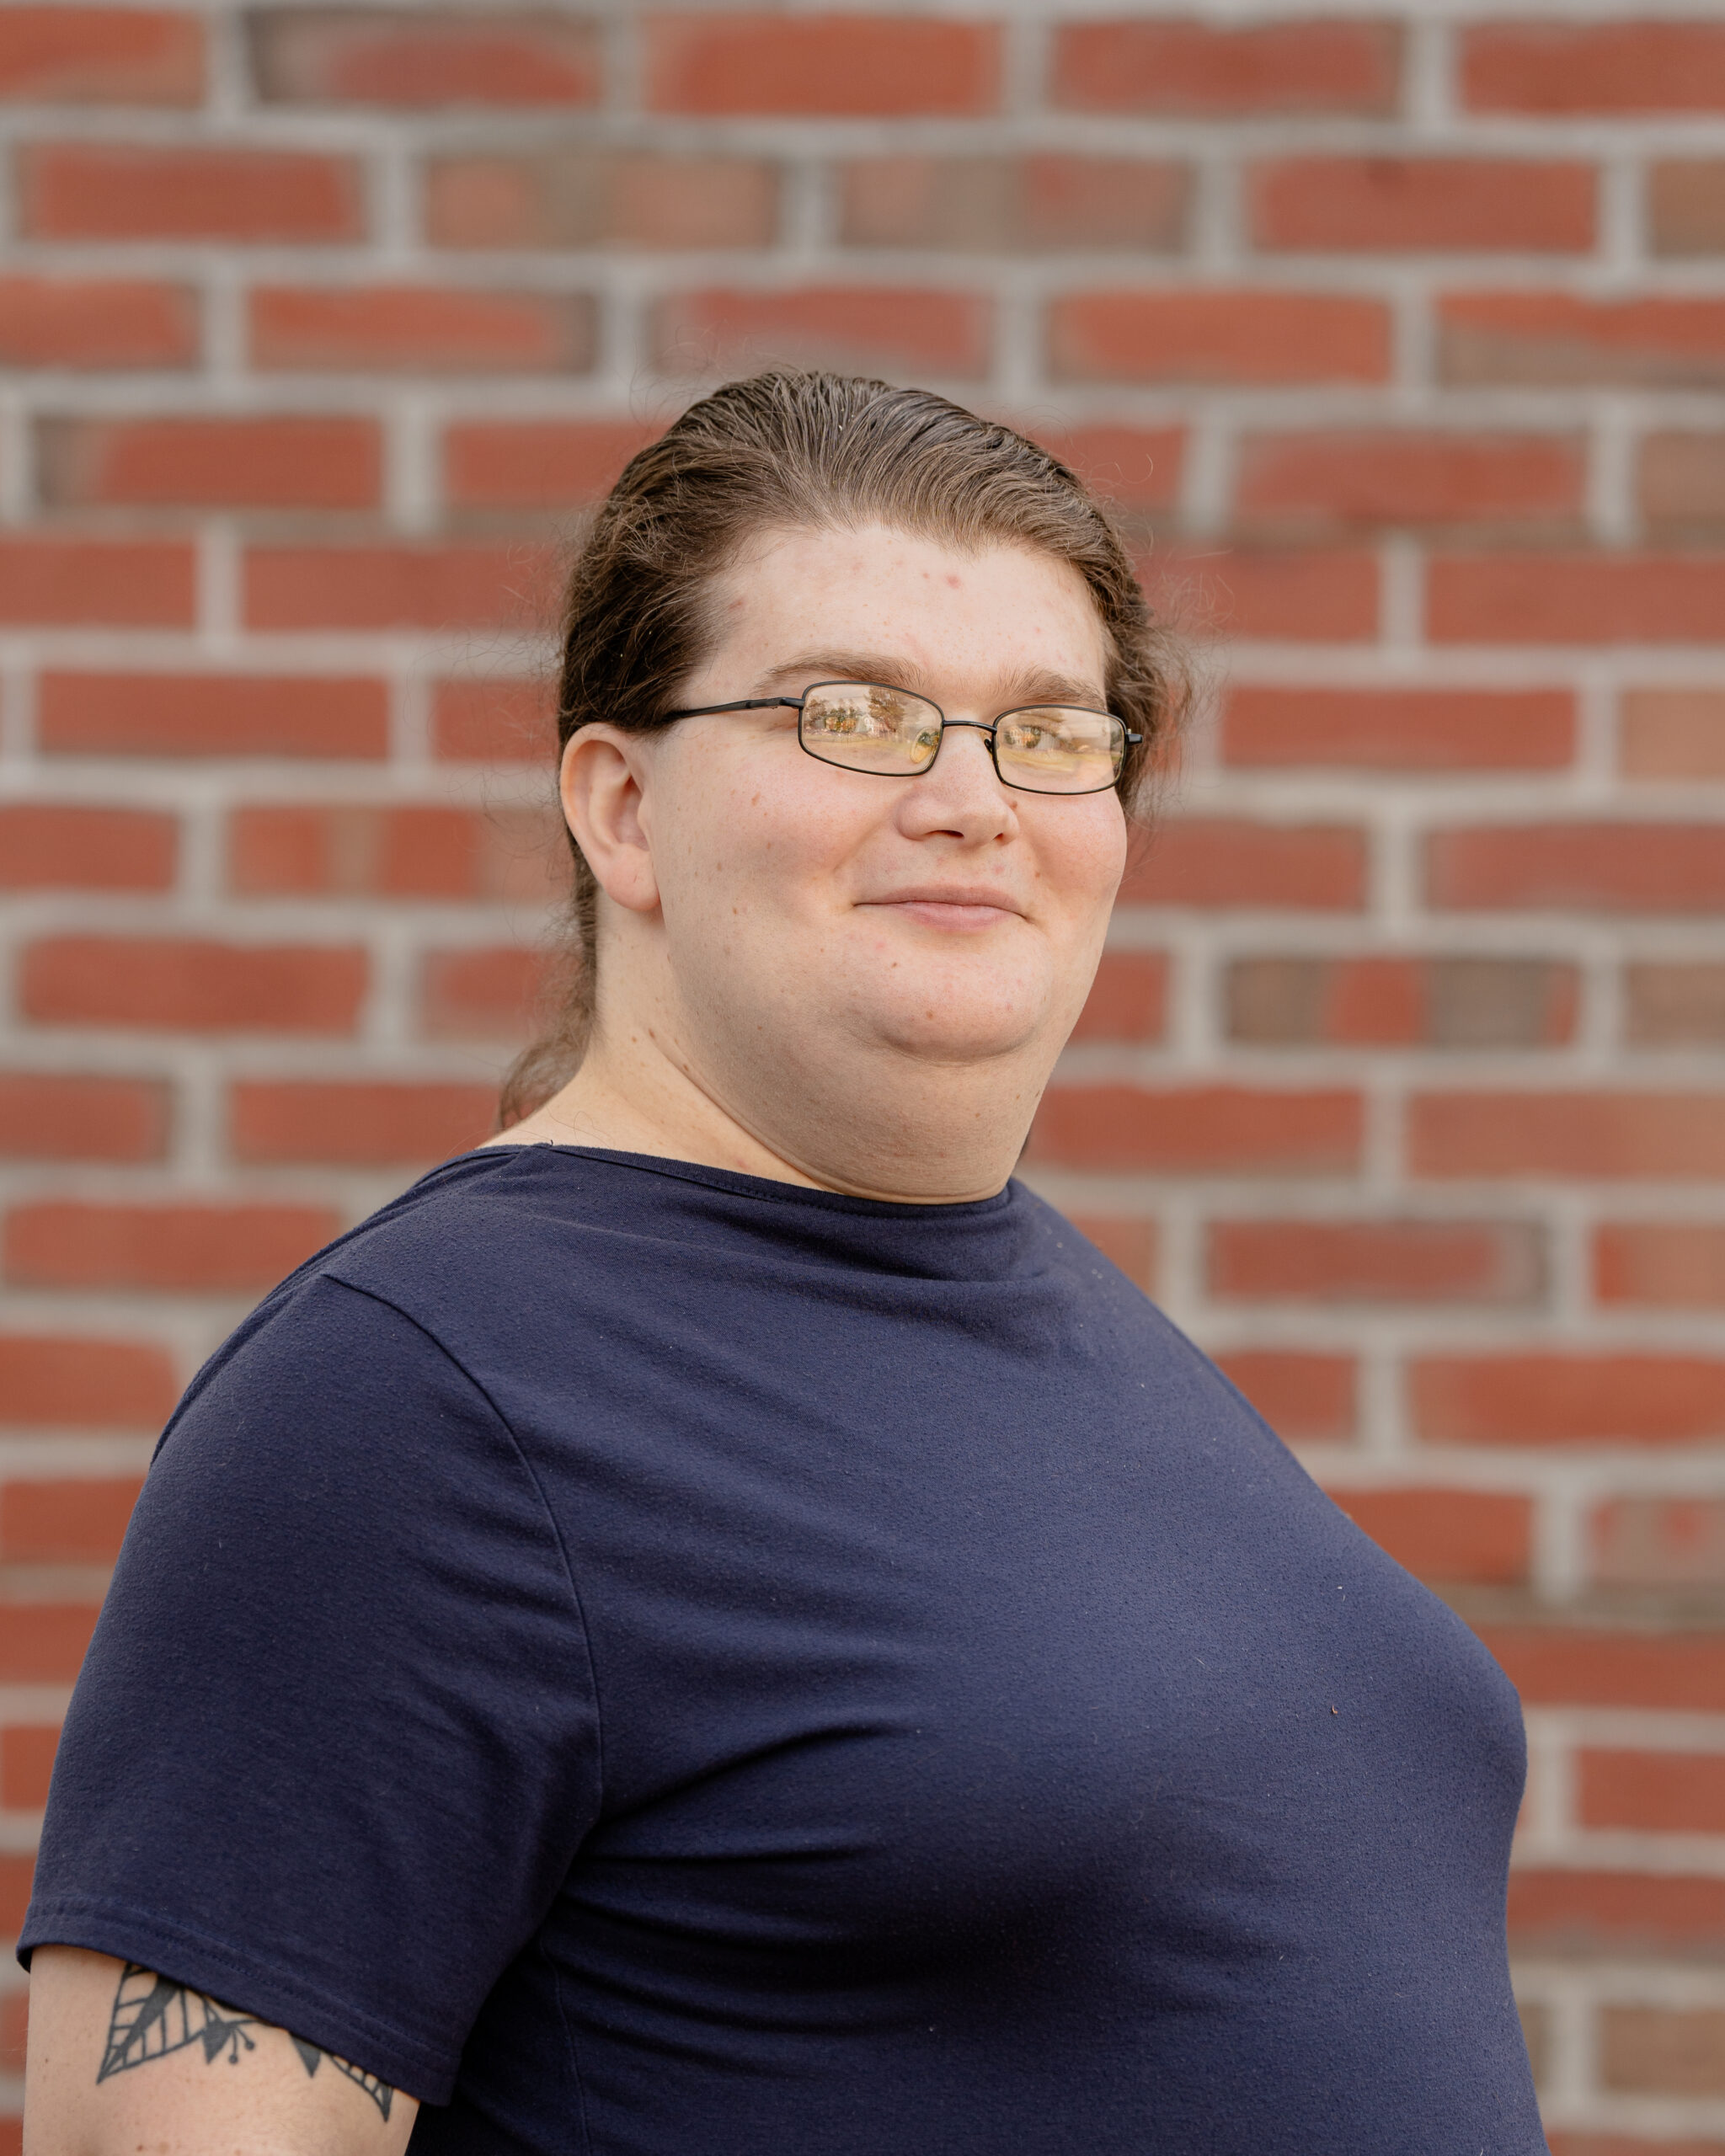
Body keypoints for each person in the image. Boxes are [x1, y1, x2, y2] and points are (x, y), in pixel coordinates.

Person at [21, 371, 1545, 2156]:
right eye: (858, 715)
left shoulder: (1072, 1329)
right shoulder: (415, 1392)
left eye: (1052, 730)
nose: (973, 796)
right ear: (622, 807)